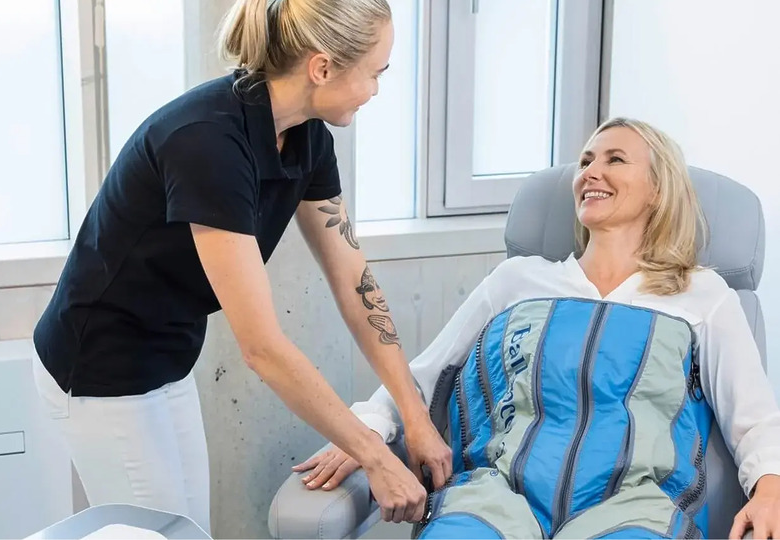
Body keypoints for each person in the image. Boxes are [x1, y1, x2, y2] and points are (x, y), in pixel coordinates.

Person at [30, 0, 452, 533]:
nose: (376, 91)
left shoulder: (307, 136)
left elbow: (353, 279)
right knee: (157, 534)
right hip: (100, 368)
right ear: (322, 68)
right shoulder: (208, 143)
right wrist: (374, 455)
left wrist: (414, 415)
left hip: (168, 354)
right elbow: (262, 348)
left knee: (189, 530)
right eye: (374, 73)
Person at [294, 118, 780, 539]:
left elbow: (753, 415)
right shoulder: (518, 280)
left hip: (635, 507)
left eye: (615, 160)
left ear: (658, 188)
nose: (591, 171)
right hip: (495, 495)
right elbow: (422, 376)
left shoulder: (702, 295)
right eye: (587, 160)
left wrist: (771, 487)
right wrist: (368, 431)